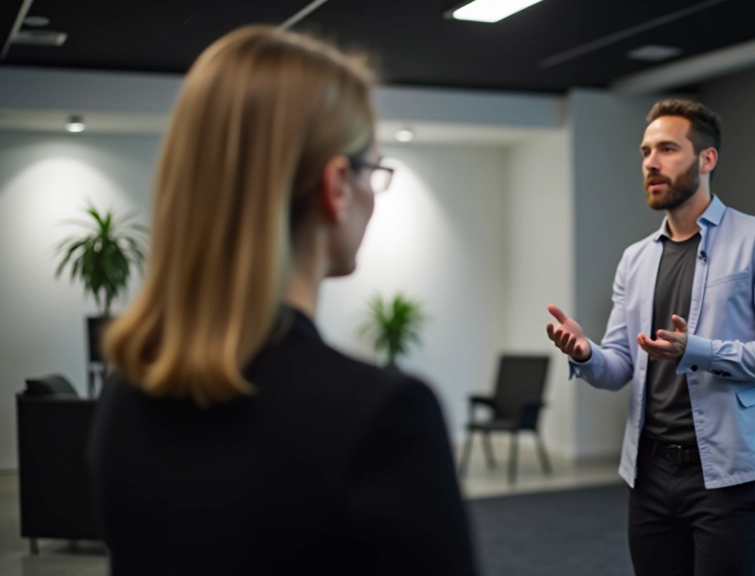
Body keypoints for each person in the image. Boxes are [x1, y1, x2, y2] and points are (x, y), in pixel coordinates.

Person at [87, 25, 477, 576]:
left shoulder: (128, 392)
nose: (374, 194)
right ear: (337, 185)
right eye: (375, 170)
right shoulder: (384, 418)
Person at [545, 99, 755, 576]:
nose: (650, 162)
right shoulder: (636, 259)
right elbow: (622, 366)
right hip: (648, 474)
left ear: (706, 159)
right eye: (646, 151)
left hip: (729, 475)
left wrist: (700, 351)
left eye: (667, 149)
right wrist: (587, 355)